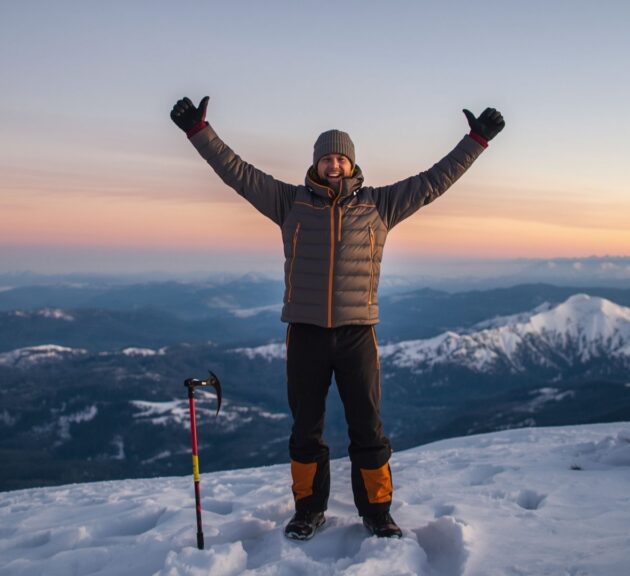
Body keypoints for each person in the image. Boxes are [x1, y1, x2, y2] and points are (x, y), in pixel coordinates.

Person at [170, 96, 504, 540]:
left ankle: (378, 512)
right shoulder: (290, 203)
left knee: (368, 427)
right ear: (315, 163)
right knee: (306, 428)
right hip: (305, 333)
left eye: (341, 158)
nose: (334, 165)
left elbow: (432, 181)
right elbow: (238, 173)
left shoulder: (379, 206)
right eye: (327, 158)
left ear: (352, 163)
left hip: (357, 333)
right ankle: (308, 510)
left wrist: (476, 141)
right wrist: (200, 133)